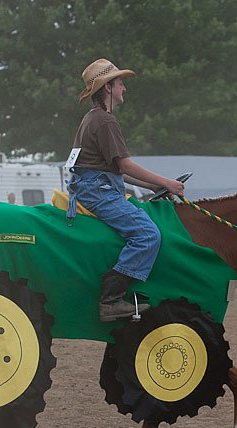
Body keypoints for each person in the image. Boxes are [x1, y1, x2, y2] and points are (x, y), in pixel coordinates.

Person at [67, 58, 185, 322]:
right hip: (98, 191)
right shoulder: (106, 122)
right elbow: (125, 165)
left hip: (92, 186)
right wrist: (167, 182)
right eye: (120, 83)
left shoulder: (91, 118)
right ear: (108, 87)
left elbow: (116, 170)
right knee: (147, 235)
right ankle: (110, 300)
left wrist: (153, 185)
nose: (124, 88)